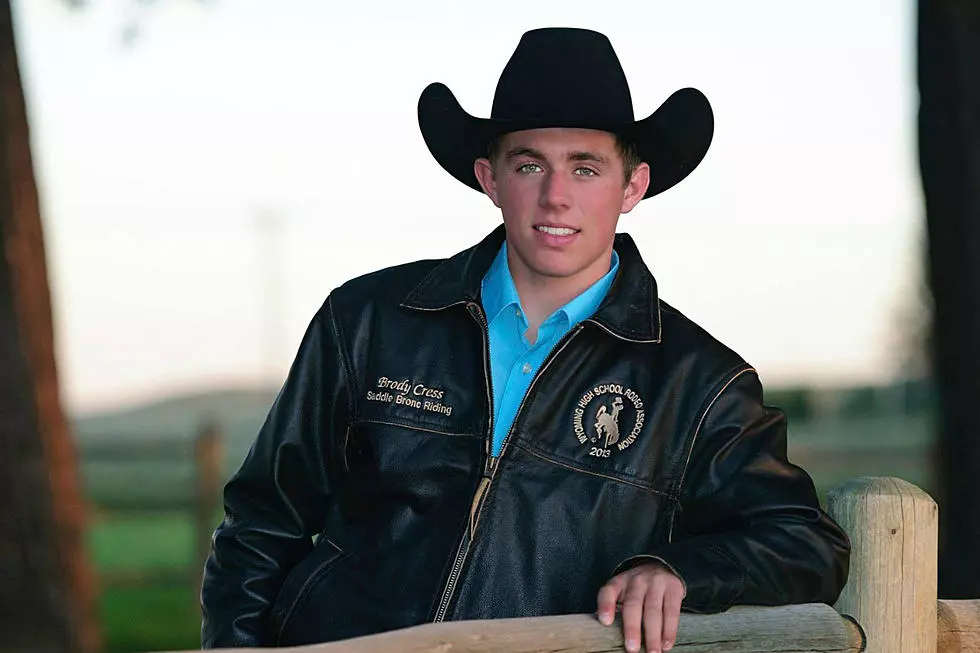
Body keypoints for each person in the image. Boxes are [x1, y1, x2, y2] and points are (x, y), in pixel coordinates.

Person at [201, 27, 850, 653]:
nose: (555, 196)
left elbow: (805, 543)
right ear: (490, 178)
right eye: (530, 163)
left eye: (586, 168)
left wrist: (679, 568)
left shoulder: (700, 386)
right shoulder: (367, 322)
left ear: (633, 186)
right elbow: (261, 523)